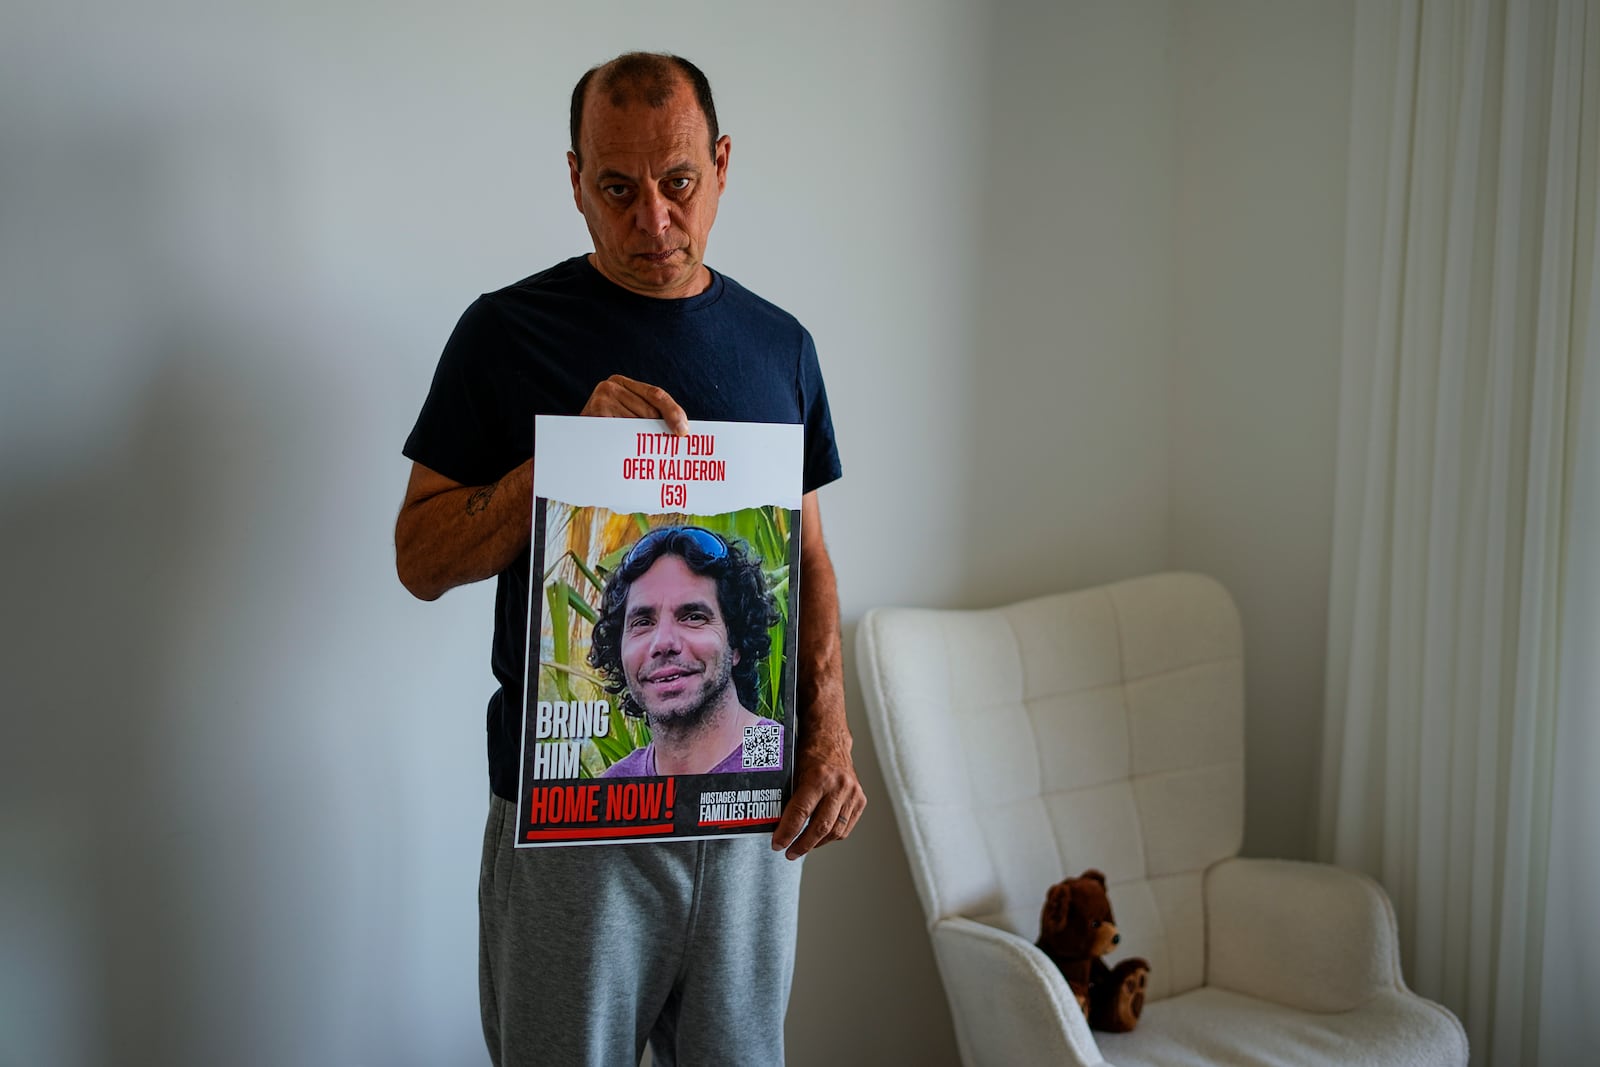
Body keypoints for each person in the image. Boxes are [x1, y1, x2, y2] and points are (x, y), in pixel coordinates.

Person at [394, 51, 864, 1067]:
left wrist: (828, 726)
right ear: (574, 180)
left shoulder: (780, 345)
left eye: (678, 181)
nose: (651, 218)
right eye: (616, 187)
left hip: (750, 816)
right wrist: (559, 456)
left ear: (723, 165)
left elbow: (812, 554)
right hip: (573, 827)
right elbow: (420, 553)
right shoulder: (503, 332)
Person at [592, 526, 784, 777]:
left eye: (693, 617)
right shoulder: (615, 786)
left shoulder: (780, 759)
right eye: (642, 622)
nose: (663, 643)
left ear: (736, 642)